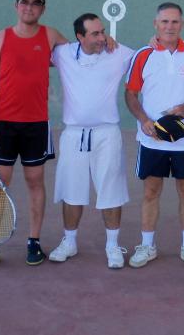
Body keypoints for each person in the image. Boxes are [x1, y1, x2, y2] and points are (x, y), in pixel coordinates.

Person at [0, 0, 68, 272]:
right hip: (3, 125)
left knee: (35, 181)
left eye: (35, 3)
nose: (29, 7)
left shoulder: (51, 36)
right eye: (24, 2)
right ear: (16, 6)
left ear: (43, 9)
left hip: (36, 125)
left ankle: (34, 242)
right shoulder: (1, 38)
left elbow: (79, 55)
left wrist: (107, 41)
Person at [125, 2, 184, 270]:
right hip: (152, 139)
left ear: (182, 25)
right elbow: (130, 94)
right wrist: (143, 121)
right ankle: (147, 246)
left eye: (175, 21)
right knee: (151, 191)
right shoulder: (143, 55)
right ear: (156, 24)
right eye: (164, 21)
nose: (169, 26)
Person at [47, 13, 134, 269]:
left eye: (102, 31)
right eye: (95, 33)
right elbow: (36, 42)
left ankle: (112, 246)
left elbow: (149, 56)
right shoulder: (63, 54)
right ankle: (69, 242)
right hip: (73, 134)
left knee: (111, 191)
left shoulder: (119, 53)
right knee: (71, 191)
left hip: (108, 134)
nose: (102, 37)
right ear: (79, 37)